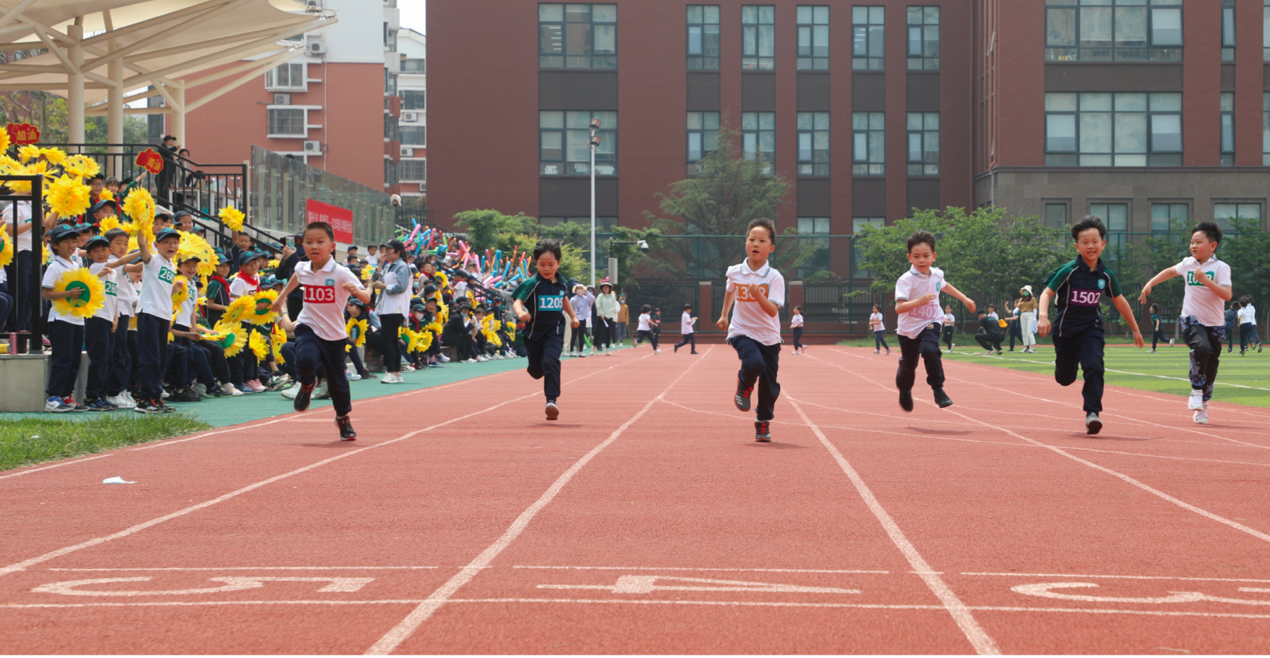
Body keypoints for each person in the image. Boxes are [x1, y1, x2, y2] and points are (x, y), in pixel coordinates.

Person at [1039, 215, 1144, 434]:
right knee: (1065, 379)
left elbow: (1120, 301)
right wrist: (1043, 316)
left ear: (1103, 244)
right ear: (1077, 246)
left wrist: (1135, 328)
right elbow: (1047, 292)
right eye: (1085, 242)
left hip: (1091, 327)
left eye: (1095, 241)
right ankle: (1066, 365)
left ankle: (1092, 413)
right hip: (1066, 331)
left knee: (1094, 365)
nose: (1090, 246)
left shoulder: (1105, 275)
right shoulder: (1069, 271)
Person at [270, 221, 369, 441]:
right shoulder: (302, 266)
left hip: (334, 334)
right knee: (305, 358)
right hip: (308, 324)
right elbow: (297, 276)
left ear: (332, 246)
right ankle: (307, 384)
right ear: (302, 246)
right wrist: (281, 296)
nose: (314, 246)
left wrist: (359, 292)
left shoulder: (342, 273)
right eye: (309, 242)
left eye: (320, 242)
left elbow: (367, 297)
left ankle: (342, 418)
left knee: (337, 382)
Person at [1139, 221, 1232, 425]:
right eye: (1192, 242)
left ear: (1213, 245)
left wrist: (1206, 281)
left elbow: (1227, 294)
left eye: (1199, 242)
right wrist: (1150, 283)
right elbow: (1170, 272)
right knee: (1202, 347)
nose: (1194, 245)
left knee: (1211, 366)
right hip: (1191, 319)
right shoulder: (1188, 263)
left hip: (1215, 324)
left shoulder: (1221, 268)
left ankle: (1203, 407)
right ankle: (1195, 391)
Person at [716, 218, 785, 442]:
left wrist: (758, 295)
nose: (756, 243)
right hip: (742, 331)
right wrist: (724, 315)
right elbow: (730, 291)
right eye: (752, 239)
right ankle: (744, 385)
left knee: (769, 387)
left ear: (770, 248)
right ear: (745, 243)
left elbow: (772, 311)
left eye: (762, 240)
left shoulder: (774, 277)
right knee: (753, 363)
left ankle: (762, 422)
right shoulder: (735, 272)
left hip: (769, 337)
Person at [893, 230, 976, 412]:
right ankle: (905, 391)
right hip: (908, 329)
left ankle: (938, 389)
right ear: (909, 258)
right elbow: (899, 308)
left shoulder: (937, 274)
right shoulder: (906, 280)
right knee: (908, 366)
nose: (921, 260)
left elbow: (945, 286)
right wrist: (919, 301)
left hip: (931, 321)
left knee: (931, 350)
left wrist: (965, 299)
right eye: (916, 256)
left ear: (934, 256)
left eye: (926, 255)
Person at [512, 239, 581, 421]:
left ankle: (551, 401)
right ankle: (539, 366)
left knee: (551, 360)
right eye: (542, 264)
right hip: (534, 333)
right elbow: (517, 301)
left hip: (555, 331)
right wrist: (521, 313)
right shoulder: (532, 283)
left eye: (551, 264)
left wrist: (573, 316)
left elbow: (563, 299)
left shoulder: (562, 283)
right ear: (536, 264)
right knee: (536, 371)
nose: (547, 268)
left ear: (558, 263)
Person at [132, 227, 184, 414]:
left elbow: (162, 292)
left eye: (175, 242)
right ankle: (144, 399)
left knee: (161, 359)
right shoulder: (152, 260)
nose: (172, 246)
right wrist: (141, 225)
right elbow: (141, 244)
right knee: (150, 358)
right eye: (166, 242)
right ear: (156, 245)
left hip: (163, 315)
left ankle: (155, 396)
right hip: (149, 313)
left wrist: (174, 290)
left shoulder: (170, 265)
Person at [42, 226, 90, 412]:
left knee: (74, 360)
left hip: (77, 319)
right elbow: (46, 293)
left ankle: (66, 396)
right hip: (60, 319)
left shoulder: (76, 265)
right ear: (54, 244)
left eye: (73, 241)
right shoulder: (54, 267)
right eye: (66, 242)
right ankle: (53, 398)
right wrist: (68, 293)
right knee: (63, 358)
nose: (71, 245)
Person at [82, 235, 121, 410]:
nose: (100, 253)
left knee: (108, 359)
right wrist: (98, 274)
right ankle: (92, 396)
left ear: (109, 251)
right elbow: (84, 285)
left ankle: (101, 395)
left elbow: (114, 297)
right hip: (96, 318)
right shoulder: (94, 269)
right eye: (95, 251)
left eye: (103, 250)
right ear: (89, 255)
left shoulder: (111, 273)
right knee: (99, 359)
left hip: (108, 319)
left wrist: (115, 317)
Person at [371, 239, 410, 383]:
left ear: (397, 252)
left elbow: (401, 287)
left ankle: (391, 372)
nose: (386, 252)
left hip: (396, 308)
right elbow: (376, 281)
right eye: (385, 250)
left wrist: (385, 286)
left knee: (386, 340)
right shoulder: (389, 266)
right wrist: (380, 265)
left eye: (389, 250)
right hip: (386, 307)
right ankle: (397, 373)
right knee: (392, 341)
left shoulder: (402, 267)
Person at [568, 283, 593, 356]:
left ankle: (581, 350)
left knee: (581, 335)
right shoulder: (573, 298)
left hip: (583, 318)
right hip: (575, 319)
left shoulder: (585, 299)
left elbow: (592, 300)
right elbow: (573, 304)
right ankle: (571, 350)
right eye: (578, 289)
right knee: (574, 335)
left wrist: (586, 292)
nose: (580, 291)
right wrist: (578, 296)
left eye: (581, 289)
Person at [594, 281, 618, 354]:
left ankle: (607, 349)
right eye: (604, 287)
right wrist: (602, 314)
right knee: (598, 332)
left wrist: (607, 314)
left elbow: (614, 306)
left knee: (608, 333)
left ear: (610, 288)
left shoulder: (613, 297)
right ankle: (594, 347)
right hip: (600, 316)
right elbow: (598, 305)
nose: (606, 288)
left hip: (609, 316)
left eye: (607, 287)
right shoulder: (600, 296)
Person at [1014, 286, 1038, 354]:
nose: (1025, 292)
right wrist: (1014, 311)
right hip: (1023, 315)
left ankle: (1033, 348)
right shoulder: (1021, 299)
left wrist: (1034, 318)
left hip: (1030, 314)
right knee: (1024, 332)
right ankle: (1025, 347)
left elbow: (1035, 308)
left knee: (1029, 331)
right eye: (1024, 291)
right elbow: (1018, 307)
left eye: (1026, 290)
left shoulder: (1032, 299)